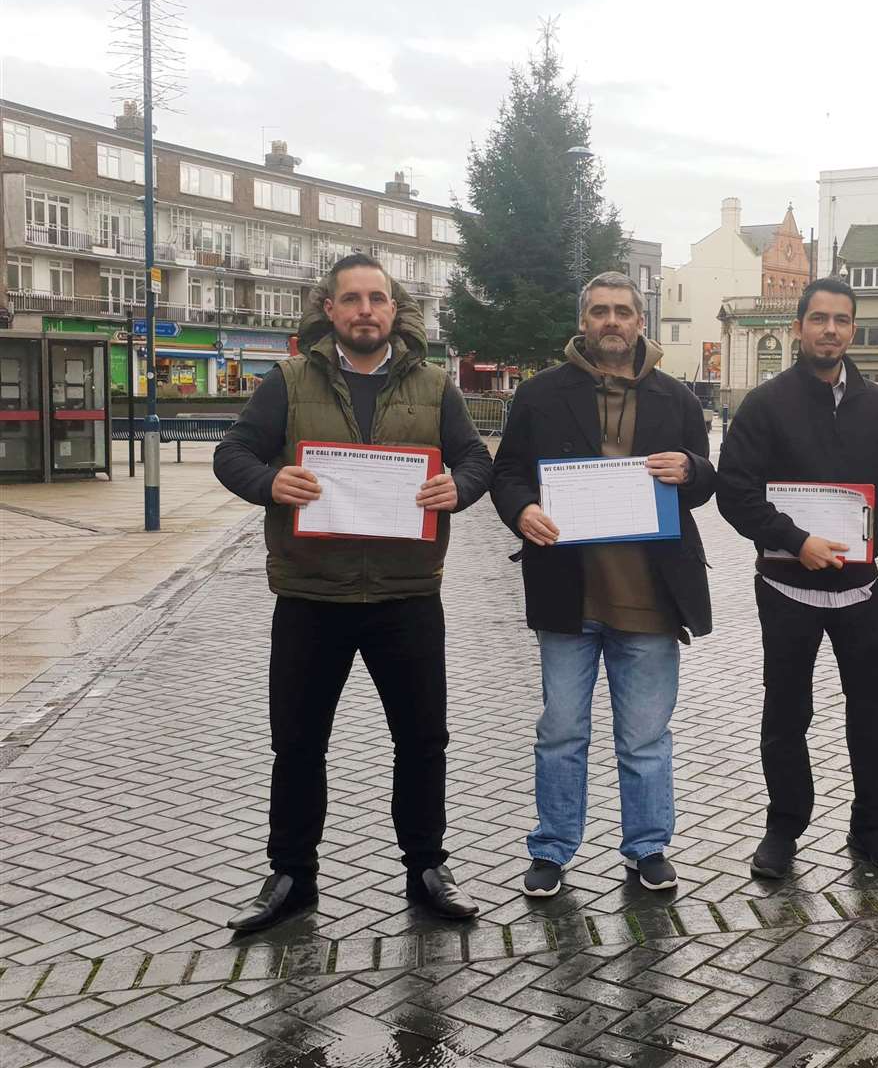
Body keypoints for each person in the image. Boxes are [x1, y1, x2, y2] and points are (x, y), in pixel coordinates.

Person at [213, 254, 492, 931]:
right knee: (299, 744)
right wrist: (269, 482)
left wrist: (458, 488)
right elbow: (234, 453)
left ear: (394, 311)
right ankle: (291, 876)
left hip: (407, 595)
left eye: (378, 299)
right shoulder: (286, 381)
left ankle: (427, 867)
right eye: (353, 300)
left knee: (423, 742)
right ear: (330, 310)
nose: (366, 310)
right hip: (312, 594)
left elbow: (476, 459)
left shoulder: (434, 385)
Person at [490, 271, 714, 898]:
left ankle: (647, 847)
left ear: (640, 321)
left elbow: (704, 483)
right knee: (561, 731)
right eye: (600, 312)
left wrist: (691, 468)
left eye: (622, 312)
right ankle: (553, 849)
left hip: (650, 596)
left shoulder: (677, 399)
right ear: (583, 322)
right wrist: (521, 509)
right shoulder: (539, 395)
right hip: (568, 591)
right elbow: (508, 472)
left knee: (645, 736)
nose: (611, 322)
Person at [716, 278, 878, 879]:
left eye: (841, 320)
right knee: (786, 714)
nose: (830, 330)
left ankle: (873, 827)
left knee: (868, 714)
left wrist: (869, 533)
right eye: (819, 319)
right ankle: (784, 827)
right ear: (800, 327)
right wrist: (796, 541)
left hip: (858, 588)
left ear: (853, 330)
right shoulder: (764, 403)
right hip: (786, 588)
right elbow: (734, 494)